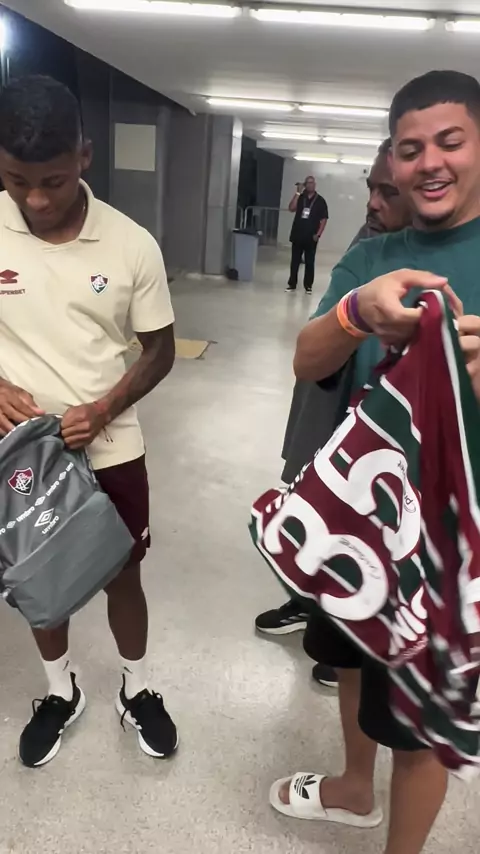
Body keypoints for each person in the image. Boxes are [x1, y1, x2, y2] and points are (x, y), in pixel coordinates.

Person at [268, 69, 480, 854]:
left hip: (452, 541)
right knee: (351, 656)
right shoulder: (374, 256)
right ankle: (355, 788)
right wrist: (358, 312)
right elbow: (306, 358)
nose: (430, 163)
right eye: (410, 148)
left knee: (420, 721)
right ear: (391, 159)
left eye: (450, 142)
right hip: (361, 519)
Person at [0, 75, 178, 768]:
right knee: (38, 581)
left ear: (85, 157)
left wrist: (104, 407)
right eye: (17, 180)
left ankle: (137, 687)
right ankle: (60, 691)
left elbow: (160, 350)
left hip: (109, 447)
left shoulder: (131, 245)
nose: (36, 200)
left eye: (52, 180)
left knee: (122, 573)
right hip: (18, 455)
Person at [256, 139, 412, 689]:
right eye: (371, 188)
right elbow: (316, 344)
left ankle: (365, 636)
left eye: (388, 191)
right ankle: (314, 605)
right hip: (338, 413)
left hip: (405, 458)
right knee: (324, 525)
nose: (373, 202)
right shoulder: (369, 242)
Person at [286, 175, 328, 294]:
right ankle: (292, 284)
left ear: (315, 185)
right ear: (305, 184)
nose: (310, 185)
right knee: (295, 261)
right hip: (297, 234)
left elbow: (324, 219)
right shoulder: (300, 197)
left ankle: (308, 286)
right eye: (308, 183)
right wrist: (297, 193)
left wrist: (318, 234)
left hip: (311, 236)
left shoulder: (320, 201)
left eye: (312, 183)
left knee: (309, 262)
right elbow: (291, 208)